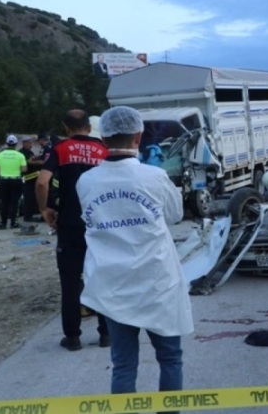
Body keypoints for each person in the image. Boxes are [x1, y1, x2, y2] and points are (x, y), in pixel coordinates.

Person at [78, 106, 192, 403]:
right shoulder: (153, 176)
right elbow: (175, 215)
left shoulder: (86, 181)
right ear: (138, 136)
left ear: (102, 137)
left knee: (123, 364)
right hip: (157, 283)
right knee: (170, 359)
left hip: (113, 286)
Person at [36, 110, 109, 351]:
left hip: (69, 225)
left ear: (66, 128)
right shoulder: (103, 149)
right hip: (100, 224)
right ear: (89, 128)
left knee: (69, 283)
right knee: (100, 278)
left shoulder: (60, 148)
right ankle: (106, 335)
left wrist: (45, 208)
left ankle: (73, 337)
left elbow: (42, 181)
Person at [0, 135, 26, 230]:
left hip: (3, 180)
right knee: (15, 202)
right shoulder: (20, 155)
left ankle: (3, 223)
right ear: (16, 144)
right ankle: (13, 223)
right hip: (16, 180)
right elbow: (24, 169)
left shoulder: (0, 155)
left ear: (7, 143)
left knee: (4, 202)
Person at [19, 136, 42, 222]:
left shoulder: (29, 152)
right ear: (24, 143)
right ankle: (27, 216)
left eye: (30, 142)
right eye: (28, 143)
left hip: (32, 179)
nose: (30, 144)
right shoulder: (22, 153)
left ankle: (30, 215)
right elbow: (26, 164)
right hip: (26, 179)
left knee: (32, 198)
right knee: (28, 198)